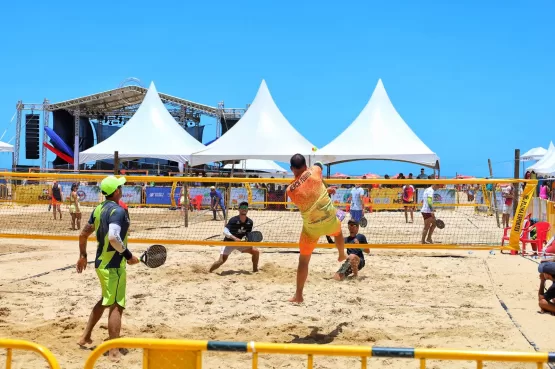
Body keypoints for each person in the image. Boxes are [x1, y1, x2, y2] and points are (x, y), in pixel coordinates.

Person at [76, 175, 139, 362]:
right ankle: (113, 351)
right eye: (121, 186)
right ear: (116, 191)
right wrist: (128, 256)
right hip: (113, 266)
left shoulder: (98, 209)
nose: (123, 188)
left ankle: (85, 336)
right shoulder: (118, 211)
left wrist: (83, 256)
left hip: (100, 263)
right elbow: (113, 237)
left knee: (106, 299)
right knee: (117, 305)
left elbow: (83, 234)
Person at [286, 154, 347, 303]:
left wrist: (324, 191)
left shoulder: (290, 190)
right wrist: (325, 190)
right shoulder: (314, 171)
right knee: (338, 229)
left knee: (304, 261)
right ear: (306, 165)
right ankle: (341, 254)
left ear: (292, 168)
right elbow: (319, 163)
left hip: (311, 228)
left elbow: (307, 196)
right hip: (329, 220)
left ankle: (299, 295)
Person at [209, 201, 260, 273]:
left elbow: (248, 235)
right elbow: (225, 231)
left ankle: (255, 270)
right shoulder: (233, 220)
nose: (244, 209)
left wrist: (247, 239)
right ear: (238, 210)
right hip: (228, 243)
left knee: (256, 251)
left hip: (240, 243)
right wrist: (234, 238)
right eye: (242, 207)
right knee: (221, 261)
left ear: (247, 210)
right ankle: (209, 271)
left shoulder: (250, 222)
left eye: (245, 207)